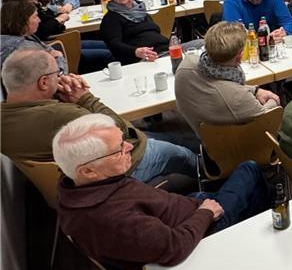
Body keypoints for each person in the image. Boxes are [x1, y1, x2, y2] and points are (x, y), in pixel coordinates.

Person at [54, 113, 270, 269]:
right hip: (205, 230)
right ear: (88, 170)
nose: (129, 147)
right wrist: (206, 212)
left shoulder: (74, 187)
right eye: (118, 149)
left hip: (185, 211)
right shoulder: (115, 219)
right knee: (249, 169)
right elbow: (174, 248)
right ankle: (250, 227)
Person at [0, 49, 197, 183]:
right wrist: (85, 97)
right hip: (118, 168)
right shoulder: (60, 115)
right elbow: (121, 130)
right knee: (182, 153)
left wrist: (57, 95)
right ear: (43, 82)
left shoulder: (4, 116)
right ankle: (207, 177)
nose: (60, 77)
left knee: (170, 137)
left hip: (73, 177)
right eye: (57, 73)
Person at [175, 21, 280, 137]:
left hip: (205, 137)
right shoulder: (238, 97)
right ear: (239, 57)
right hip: (238, 148)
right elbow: (267, 118)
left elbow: (222, 87)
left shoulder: (186, 66)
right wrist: (274, 101)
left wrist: (255, 90)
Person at [3, 0, 113, 73]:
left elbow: (53, 25)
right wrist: (59, 20)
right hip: (57, 45)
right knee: (106, 53)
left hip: (57, 42)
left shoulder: (37, 5)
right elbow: (42, 32)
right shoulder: (22, 11)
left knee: (108, 44)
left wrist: (57, 21)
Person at [100, 0, 168, 64]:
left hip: (166, 49)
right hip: (146, 57)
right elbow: (114, 45)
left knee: (192, 47)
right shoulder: (111, 18)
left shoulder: (140, 10)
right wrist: (136, 51)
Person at [0, 1, 67, 74]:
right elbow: (54, 76)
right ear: (22, 21)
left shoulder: (26, 35)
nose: (39, 20)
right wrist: (59, 58)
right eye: (35, 17)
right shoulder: (24, 47)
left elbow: (49, 50)